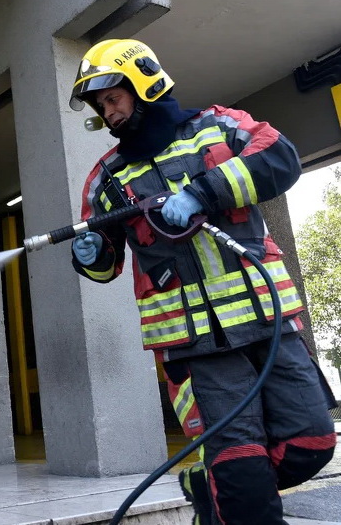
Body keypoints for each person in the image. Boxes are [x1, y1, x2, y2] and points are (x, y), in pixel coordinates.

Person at [68, 38, 337, 524]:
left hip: (268, 323)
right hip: (196, 348)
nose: (108, 113)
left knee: (311, 443)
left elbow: (281, 158)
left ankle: (209, 487)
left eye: (114, 98)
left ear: (143, 83)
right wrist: (91, 254)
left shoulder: (219, 126)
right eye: (101, 106)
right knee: (242, 469)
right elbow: (105, 263)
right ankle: (229, 488)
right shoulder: (105, 180)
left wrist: (203, 193)